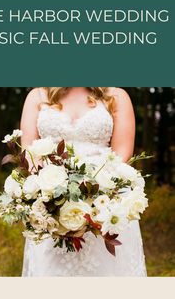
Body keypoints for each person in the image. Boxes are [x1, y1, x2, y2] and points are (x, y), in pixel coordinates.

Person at [20, 87, 147, 276]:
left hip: (106, 202)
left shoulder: (116, 96)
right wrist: (48, 195)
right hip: (51, 203)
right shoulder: (37, 96)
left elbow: (122, 152)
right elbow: (29, 151)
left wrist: (95, 196)